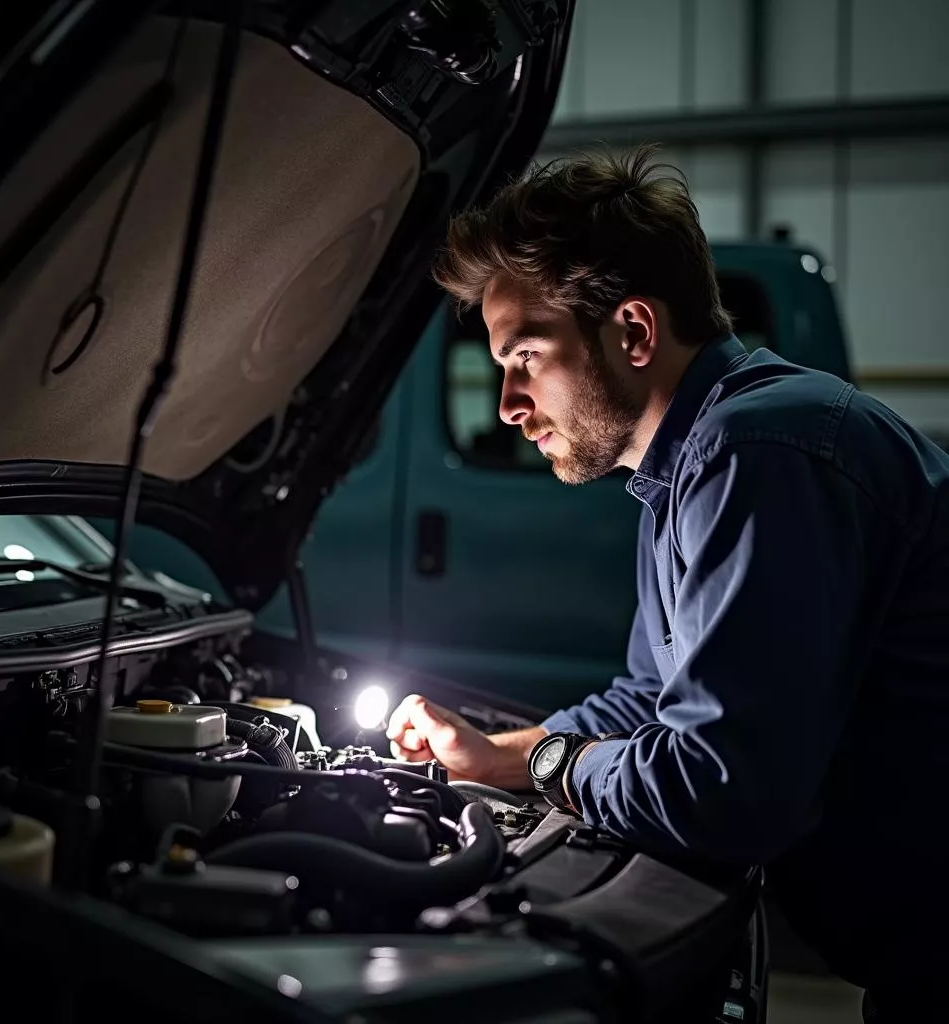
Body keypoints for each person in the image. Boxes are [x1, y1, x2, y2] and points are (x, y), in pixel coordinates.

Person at [386, 146, 949, 1020]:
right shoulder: (683, 470)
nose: (507, 403)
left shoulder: (759, 451)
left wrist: (549, 761)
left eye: (526, 357)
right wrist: (498, 753)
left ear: (635, 332)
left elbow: (717, 789)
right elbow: (656, 697)